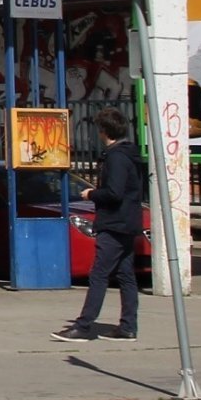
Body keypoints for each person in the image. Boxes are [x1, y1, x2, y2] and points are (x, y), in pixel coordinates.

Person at [57, 108, 144, 342]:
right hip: (128, 220)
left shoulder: (116, 157)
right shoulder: (130, 154)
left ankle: (83, 326)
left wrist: (91, 194)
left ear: (104, 131)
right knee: (126, 275)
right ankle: (128, 326)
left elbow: (114, 193)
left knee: (99, 274)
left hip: (114, 222)